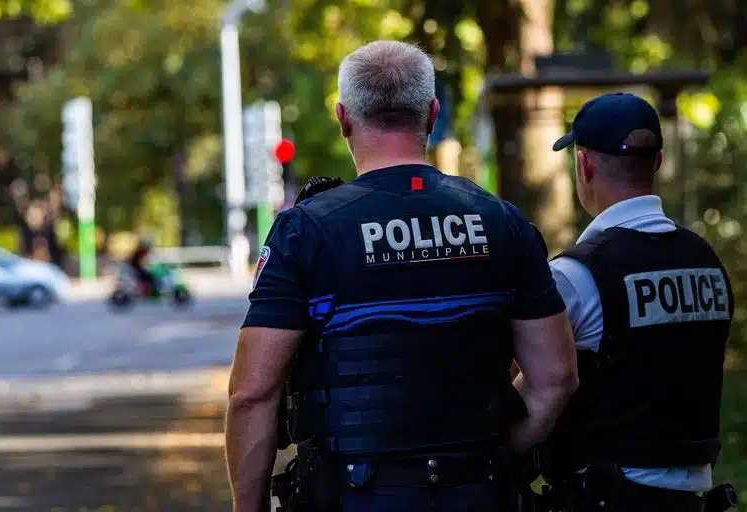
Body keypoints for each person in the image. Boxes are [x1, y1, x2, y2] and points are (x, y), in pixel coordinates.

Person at [224, 40, 578, 512]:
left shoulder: (305, 231)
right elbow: (555, 378)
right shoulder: (501, 222)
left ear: (343, 117)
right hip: (479, 493)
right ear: (432, 113)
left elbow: (251, 395)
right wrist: (496, 459)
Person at [543, 92, 735, 512]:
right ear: (659, 162)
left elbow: (542, 384)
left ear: (584, 164)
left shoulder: (576, 275)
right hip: (694, 501)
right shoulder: (707, 263)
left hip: (605, 498)